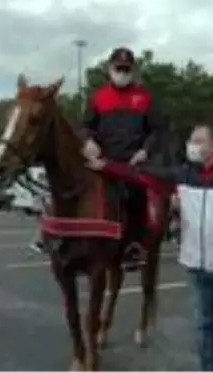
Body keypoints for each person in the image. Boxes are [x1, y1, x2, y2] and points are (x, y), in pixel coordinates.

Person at [87, 124, 213, 373]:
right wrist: (107, 166)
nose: (192, 145)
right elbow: (139, 174)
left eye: (198, 141)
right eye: (191, 140)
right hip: (196, 268)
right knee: (203, 329)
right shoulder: (183, 176)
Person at [31, 46, 164, 265]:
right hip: (99, 160)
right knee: (65, 185)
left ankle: (133, 244)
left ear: (133, 70)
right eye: (118, 67)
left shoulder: (145, 98)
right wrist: (89, 141)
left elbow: (157, 131)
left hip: (131, 162)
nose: (122, 72)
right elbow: (85, 126)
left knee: (135, 194)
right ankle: (49, 234)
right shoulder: (98, 98)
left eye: (126, 68)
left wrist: (145, 150)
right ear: (109, 69)